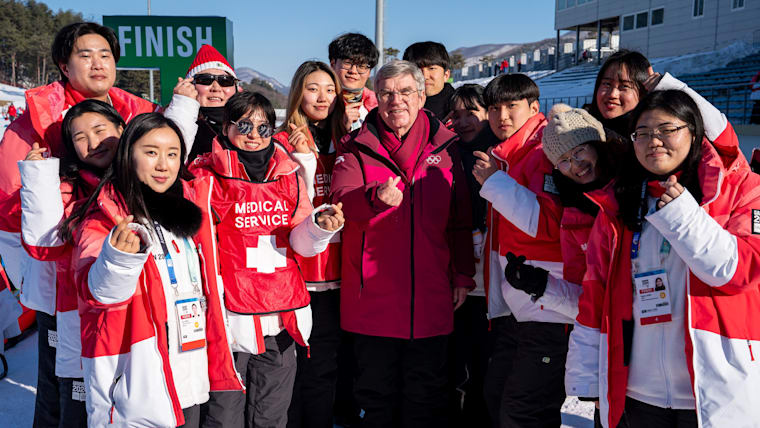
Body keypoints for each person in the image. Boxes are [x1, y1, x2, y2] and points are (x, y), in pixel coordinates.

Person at [0, 22, 198, 428]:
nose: (97, 63)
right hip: (64, 285)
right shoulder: (36, 119)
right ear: (63, 64)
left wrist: (182, 112)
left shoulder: (135, 110)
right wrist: (30, 277)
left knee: (131, 380)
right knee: (66, 387)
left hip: (139, 276)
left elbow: (164, 165)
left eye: (105, 54)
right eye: (85, 55)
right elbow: (12, 208)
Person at [566, 90, 760, 428]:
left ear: (694, 133)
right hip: (637, 394)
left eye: (667, 129)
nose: (654, 141)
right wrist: (587, 375)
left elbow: (741, 271)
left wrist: (683, 214)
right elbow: (594, 294)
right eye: (642, 133)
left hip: (715, 393)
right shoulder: (618, 205)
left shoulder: (740, 189)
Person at [62, 113, 237, 427]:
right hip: (142, 385)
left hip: (189, 374)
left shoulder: (185, 214)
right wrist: (117, 260)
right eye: (151, 152)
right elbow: (95, 295)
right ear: (128, 155)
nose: (163, 164)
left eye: (172, 154)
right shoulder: (105, 218)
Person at [331, 60, 475, 428]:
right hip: (373, 300)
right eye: (386, 93)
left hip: (430, 295)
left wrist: (461, 274)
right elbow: (340, 200)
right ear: (375, 98)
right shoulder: (356, 146)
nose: (396, 100)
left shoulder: (445, 147)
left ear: (422, 94)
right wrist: (375, 197)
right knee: (374, 397)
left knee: (425, 398)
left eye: (405, 91)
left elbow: (459, 220)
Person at [188, 91, 344, 428]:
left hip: (281, 315)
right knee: (223, 416)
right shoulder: (205, 177)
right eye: (243, 125)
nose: (254, 135)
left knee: (272, 415)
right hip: (230, 319)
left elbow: (300, 245)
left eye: (263, 127)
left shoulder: (288, 175)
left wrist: (319, 227)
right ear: (225, 128)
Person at [18, 100, 130, 428]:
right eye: (80, 137)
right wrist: (38, 178)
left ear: (122, 129)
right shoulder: (66, 188)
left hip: (138, 325)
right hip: (81, 324)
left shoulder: (142, 177)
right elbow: (44, 245)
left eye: (100, 130)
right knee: (79, 412)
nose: (93, 143)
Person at [472, 73, 571, 427]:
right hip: (520, 307)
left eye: (513, 106)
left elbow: (548, 225)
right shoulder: (508, 152)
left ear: (534, 107)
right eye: (495, 108)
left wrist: (494, 183)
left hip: (549, 308)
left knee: (523, 412)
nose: (503, 117)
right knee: (499, 397)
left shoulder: (548, 150)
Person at [272, 61, 347, 428]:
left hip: (339, 276)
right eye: (314, 88)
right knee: (297, 367)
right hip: (299, 275)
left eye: (330, 89)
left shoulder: (346, 140)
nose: (323, 97)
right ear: (298, 92)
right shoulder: (280, 142)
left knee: (326, 367)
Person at [447, 83, 498, 428]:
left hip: (495, 273)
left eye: (472, 113)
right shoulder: (449, 155)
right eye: (458, 114)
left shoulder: (499, 154)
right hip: (462, 272)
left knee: (489, 361)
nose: (464, 121)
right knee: (459, 361)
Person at [185, 44, 239, 162]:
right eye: (205, 80)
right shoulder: (174, 124)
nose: (216, 88)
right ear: (189, 85)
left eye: (225, 81)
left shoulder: (250, 128)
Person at [328, 33, 379, 131]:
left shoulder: (380, 107)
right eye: (347, 63)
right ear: (333, 64)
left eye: (361, 66)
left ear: (369, 72)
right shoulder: (322, 104)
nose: (353, 71)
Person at [403, 41, 455, 120]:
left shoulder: (461, 109)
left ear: (446, 75)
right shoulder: (398, 107)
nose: (424, 76)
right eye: (417, 69)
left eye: (431, 68)